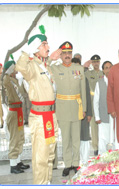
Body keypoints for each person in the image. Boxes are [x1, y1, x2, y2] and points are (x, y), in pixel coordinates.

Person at [15, 26, 59, 184]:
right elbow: (19, 68)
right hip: (40, 118)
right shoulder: (31, 66)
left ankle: (47, 182)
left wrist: (51, 59)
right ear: (35, 48)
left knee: (50, 154)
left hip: (50, 116)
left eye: (47, 44)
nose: (48, 47)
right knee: (40, 156)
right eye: (44, 44)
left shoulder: (43, 65)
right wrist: (26, 51)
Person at [46, 41, 86, 177]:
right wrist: (52, 57)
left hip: (76, 108)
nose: (67, 56)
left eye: (69, 53)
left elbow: (83, 91)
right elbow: (44, 66)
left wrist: (84, 108)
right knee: (66, 139)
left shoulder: (79, 69)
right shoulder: (56, 69)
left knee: (76, 139)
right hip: (62, 110)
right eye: (64, 53)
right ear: (61, 55)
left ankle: (76, 163)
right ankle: (67, 164)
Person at [3, 58, 30, 174]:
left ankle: (18, 162)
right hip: (13, 112)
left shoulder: (16, 80)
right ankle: (13, 165)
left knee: (20, 138)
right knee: (14, 139)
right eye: (15, 67)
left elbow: (23, 93)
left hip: (19, 111)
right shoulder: (7, 80)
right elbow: (5, 80)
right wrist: (8, 71)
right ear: (11, 69)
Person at [72, 56, 92, 165]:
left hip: (83, 113)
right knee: (74, 138)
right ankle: (75, 161)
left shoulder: (84, 79)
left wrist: (89, 113)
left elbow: (87, 97)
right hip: (71, 114)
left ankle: (84, 161)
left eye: (77, 66)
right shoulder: (68, 79)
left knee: (84, 137)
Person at [85, 55, 104, 156]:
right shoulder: (88, 73)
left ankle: (103, 145)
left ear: (100, 62)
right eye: (94, 62)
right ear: (91, 63)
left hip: (102, 100)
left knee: (103, 124)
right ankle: (96, 147)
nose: (96, 63)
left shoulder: (103, 73)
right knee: (94, 125)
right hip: (92, 100)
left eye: (97, 62)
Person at [94, 61, 113, 155]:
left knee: (113, 139)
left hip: (114, 117)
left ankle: (114, 161)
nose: (108, 70)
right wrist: (97, 116)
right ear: (103, 70)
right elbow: (95, 101)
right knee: (103, 139)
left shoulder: (116, 82)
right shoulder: (99, 83)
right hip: (103, 116)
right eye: (106, 68)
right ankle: (102, 161)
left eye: (110, 67)